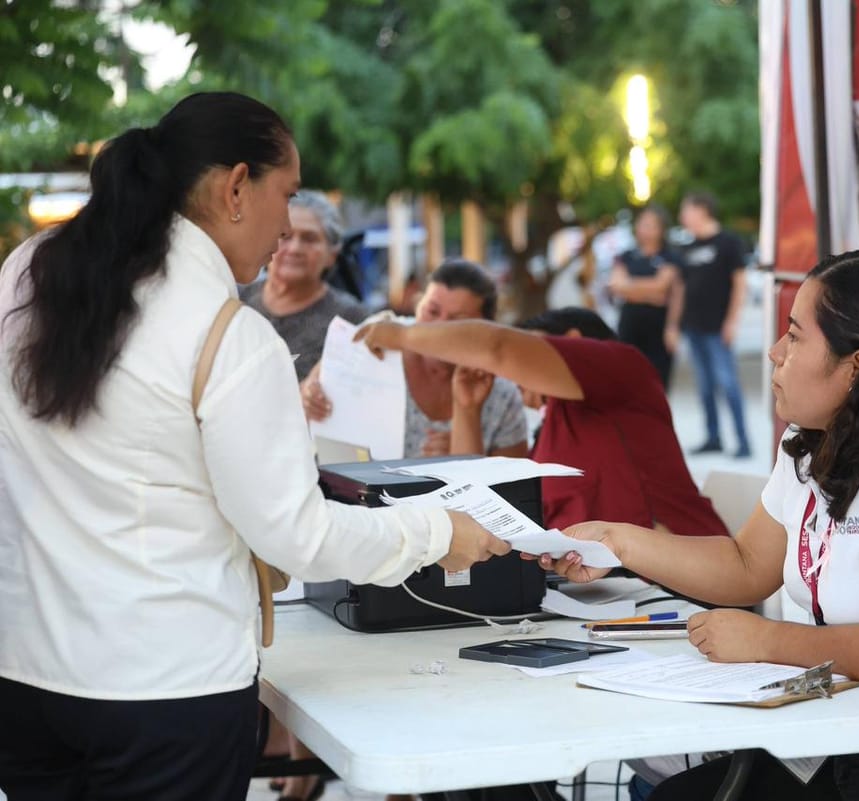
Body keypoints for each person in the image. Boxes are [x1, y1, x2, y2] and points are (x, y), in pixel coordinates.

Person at [0, 92, 509, 801]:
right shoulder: (229, 336)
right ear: (235, 187)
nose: (286, 226)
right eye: (288, 194)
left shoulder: (27, 273)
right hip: (164, 691)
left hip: (26, 676)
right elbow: (298, 535)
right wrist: (435, 531)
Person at [543, 247, 859, 801]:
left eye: (795, 337)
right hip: (856, 740)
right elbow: (747, 566)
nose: (773, 353)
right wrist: (615, 540)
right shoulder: (812, 446)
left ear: (856, 366)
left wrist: (765, 639)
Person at [348, 307, 727, 537]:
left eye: (534, 345)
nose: (514, 374)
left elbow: (499, 348)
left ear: (575, 342)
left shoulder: (620, 364)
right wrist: (467, 409)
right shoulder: (549, 427)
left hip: (679, 586)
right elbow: (474, 503)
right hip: (602, 593)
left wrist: (403, 334)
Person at [302, 259, 528, 460]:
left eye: (458, 320)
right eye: (432, 311)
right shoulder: (377, 344)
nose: (440, 328)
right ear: (417, 306)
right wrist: (310, 396)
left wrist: (464, 453)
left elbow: (511, 489)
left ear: (486, 328)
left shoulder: (501, 394)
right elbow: (317, 391)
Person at [241, 189, 370, 380]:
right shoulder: (234, 300)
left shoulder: (351, 320)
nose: (295, 249)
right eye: (285, 236)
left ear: (332, 255)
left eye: (310, 239)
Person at [667, 191, 751, 458]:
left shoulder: (728, 243)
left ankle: (743, 441)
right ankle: (713, 437)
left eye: (686, 210)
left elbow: (740, 283)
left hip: (717, 327)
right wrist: (674, 325)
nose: (682, 216)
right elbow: (681, 289)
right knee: (704, 387)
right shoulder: (687, 247)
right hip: (693, 327)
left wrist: (732, 321)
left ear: (701, 210)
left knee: (727, 383)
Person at [608, 204, 680, 388]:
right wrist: (651, 294)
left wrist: (631, 287)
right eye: (643, 224)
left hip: (658, 327)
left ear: (661, 229)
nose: (645, 229)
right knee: (627, 380)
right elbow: (616, 285)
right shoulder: (626, 255)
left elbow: (663, 286)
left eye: (651, 225)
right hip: (630, 324)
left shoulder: (670, 256)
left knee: (657, 383)